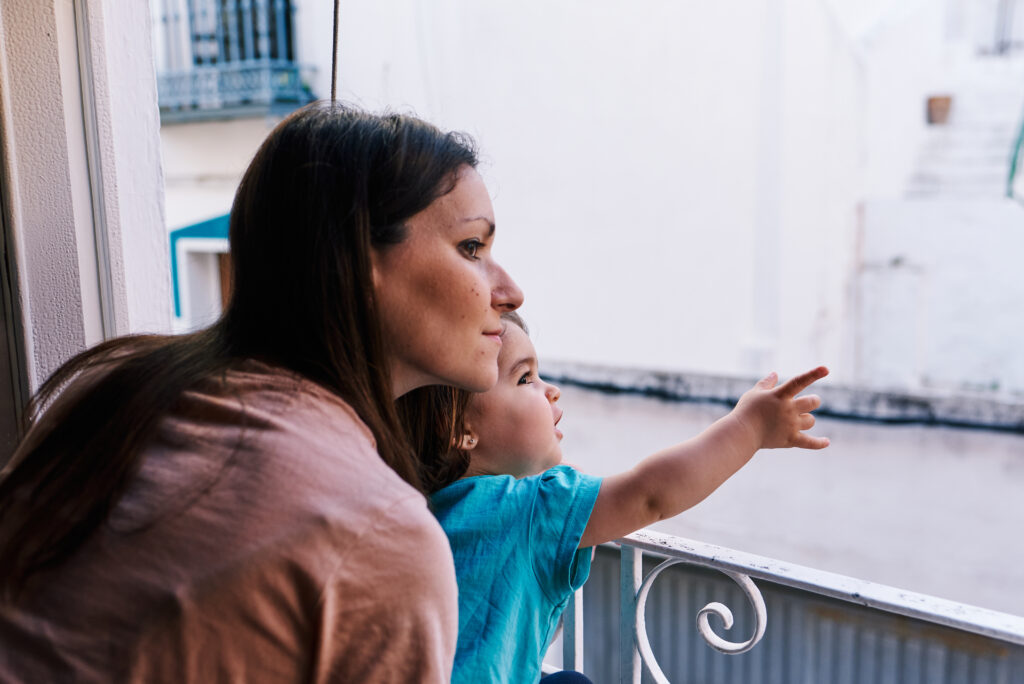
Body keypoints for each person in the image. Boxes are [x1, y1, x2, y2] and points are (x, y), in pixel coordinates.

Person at [0, 102, 523, 682]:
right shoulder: (375, 534)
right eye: (472, 248)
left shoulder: (116, 387)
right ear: (356, 259)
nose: (510, 291)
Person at [429, 313, 829, 683]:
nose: (551, 391)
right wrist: (750, 428)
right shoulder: (531, 508)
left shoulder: (418, 498)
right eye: (525, 379)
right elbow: (649, 494)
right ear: (461, 431)